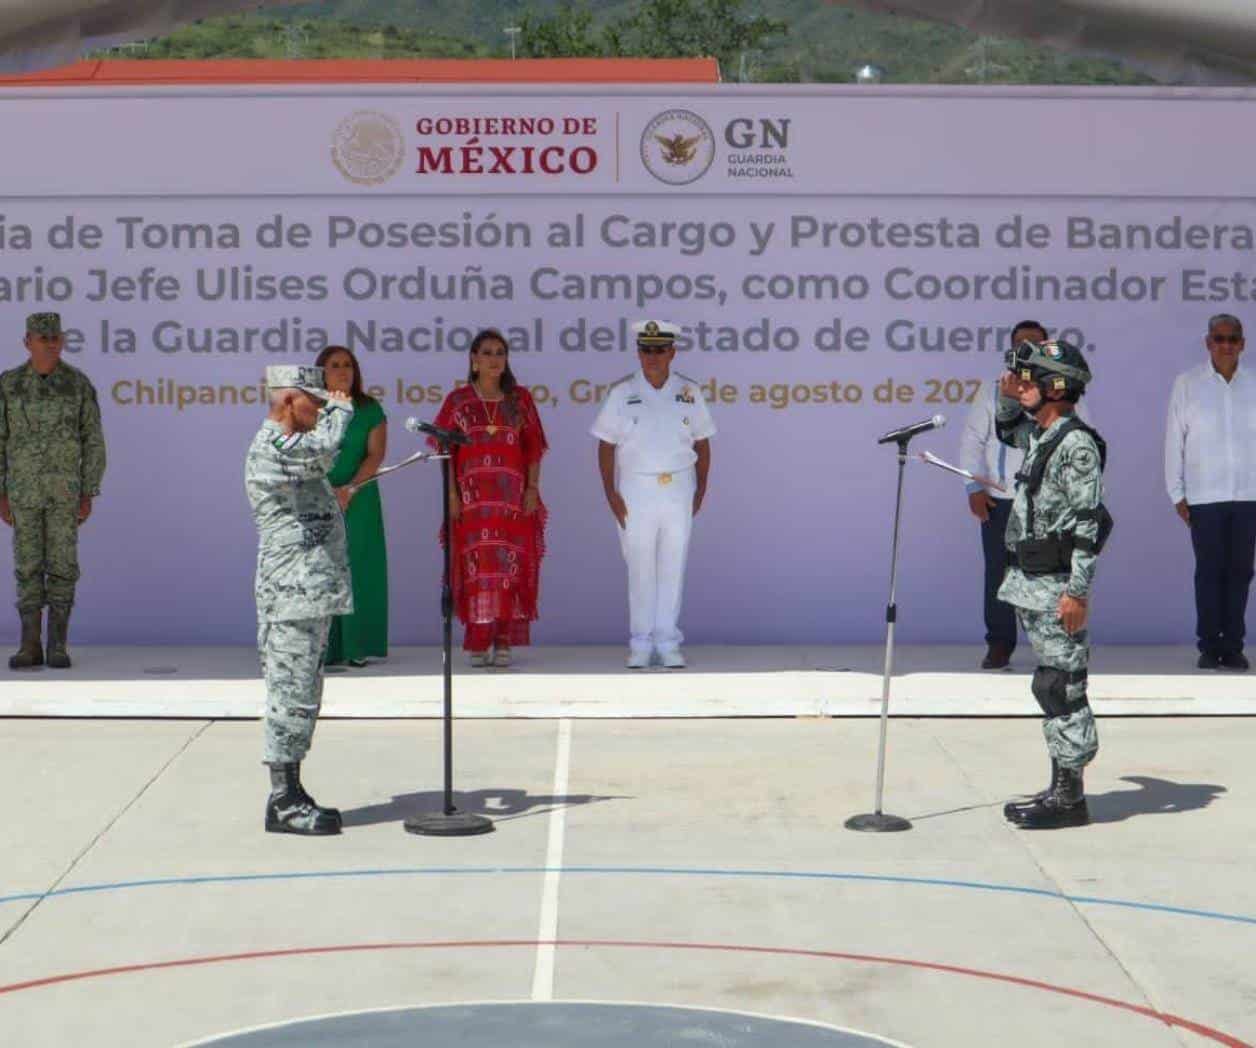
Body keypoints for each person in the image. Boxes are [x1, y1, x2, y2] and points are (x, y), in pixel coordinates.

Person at [995, 338, 1108, 829]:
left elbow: (1088, 524)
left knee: (1063, 686)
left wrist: (1077, 592)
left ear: (1056, 388)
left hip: (1059, 584)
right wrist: (1007, 397)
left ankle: (1069, 798)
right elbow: (1007, 431)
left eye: (1030, 380)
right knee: (1051, 685)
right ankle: (1061, 785)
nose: (1022, 387)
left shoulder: (1076, 443)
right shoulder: (1044, 435)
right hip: (1034, 582)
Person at [245, 364, 354, 836]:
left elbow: (319, 460)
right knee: (289, 695)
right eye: (315, 400)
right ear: (289, 401)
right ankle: (282, 799)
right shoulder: (273, 445)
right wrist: (344, 411)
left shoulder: (291, 448)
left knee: (304, 695)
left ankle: (291, 789)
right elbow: (323, 447)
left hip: (308, 591)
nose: (323, 407)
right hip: (290, 593)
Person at [591, 320, 715, 669]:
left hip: (678, 485)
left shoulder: (689, 392)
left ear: (672, 352)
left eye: (660, 350)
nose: (653, 357)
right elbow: (605, 444)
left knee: (673, 565)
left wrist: (701, 488)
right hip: (635, 488)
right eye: (646, 350)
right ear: (638, 353)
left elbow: (703, 443)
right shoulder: (622, 392)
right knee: (640, 567)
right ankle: (641, 643)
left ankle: (668, 641)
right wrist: (610, 492)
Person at [432, 328, 548, 667]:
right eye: (487, 352)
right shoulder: (459, 401)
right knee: (478, 570)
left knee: (508, 569)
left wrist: (532, 489)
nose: (494, 359)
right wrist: (452, 495)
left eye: (500, 352)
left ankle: (503, 640)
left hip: (512, 500)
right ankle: (479, 639)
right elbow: (445, 452)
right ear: (474, 359)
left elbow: (534, 448)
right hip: (472, 500)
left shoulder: (520, 399)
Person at [0, 312, 105, 670]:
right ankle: (29, 646)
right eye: (43, 338)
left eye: (55, 337)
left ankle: (57, 644)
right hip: (24, 492)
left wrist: (88, 490)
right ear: (27, 342)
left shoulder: (77, 384)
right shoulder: (9, 385)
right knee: (27, 566)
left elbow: (93, 440)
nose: (50, 343)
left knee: (62, 566)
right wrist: (1, 492)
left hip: (64, 493)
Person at [1165, 313, 1256, 671]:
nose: (1226, 345)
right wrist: (1177, 492)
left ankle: (1232, 645)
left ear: (1243, 344)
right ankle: (1208, 644)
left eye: (1233, 338)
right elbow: (1175, 438)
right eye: (1219, 338)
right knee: (1209, 571)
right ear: (1208, 343)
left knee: (1240, 572)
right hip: (1204, 496)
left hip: (1249, 495)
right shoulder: (1187, 384)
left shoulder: (1254, 384)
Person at [961, 320, 1048, 669]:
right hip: (1000, 499)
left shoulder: (1061, 388)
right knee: (998, 575)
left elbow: (1078, 434)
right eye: (1021, 345)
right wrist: (973, 487)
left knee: (1044, 574)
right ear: (1010, 350)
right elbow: (971, 440)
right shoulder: (992, 389)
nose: (1027, 351)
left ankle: (1047, 644)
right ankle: (999, 644)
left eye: (1035, 345)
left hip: (1044, 499)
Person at [317, 345, 388, 668]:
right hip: (317, 496)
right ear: (322, 371)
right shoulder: (309, 406)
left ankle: (357, 645)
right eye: (335, 365)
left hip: (359, 498)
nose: (343, 370)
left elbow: (375, 454)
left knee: (358, 565)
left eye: (348, 365)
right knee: (320, 568)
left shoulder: (369, 408)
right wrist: (323, 489)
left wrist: (350, 488)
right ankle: (322, 647)